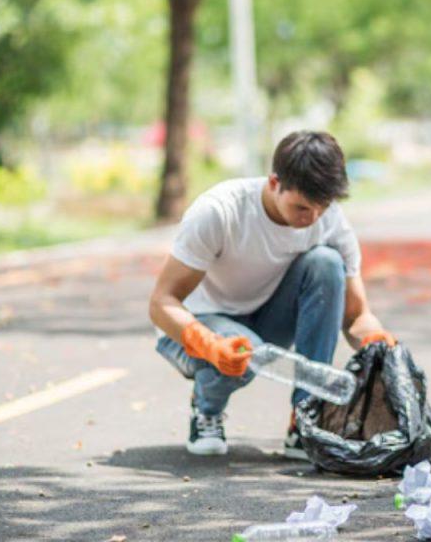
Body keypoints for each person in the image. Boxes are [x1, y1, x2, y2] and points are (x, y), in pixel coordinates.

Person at [148, 131, 395, 457]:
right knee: (246, 350)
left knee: (326, 263)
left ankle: (306, 418)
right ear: (274, 182)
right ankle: (206, 409)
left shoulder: (330, 221)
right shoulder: (219, 211)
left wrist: (376, 342)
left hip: (264, 319)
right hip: (194, 327)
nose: (312, 219)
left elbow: (356, 316)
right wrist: (208, 344)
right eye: (302, 207)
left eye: (321, 208)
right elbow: (161, 303)